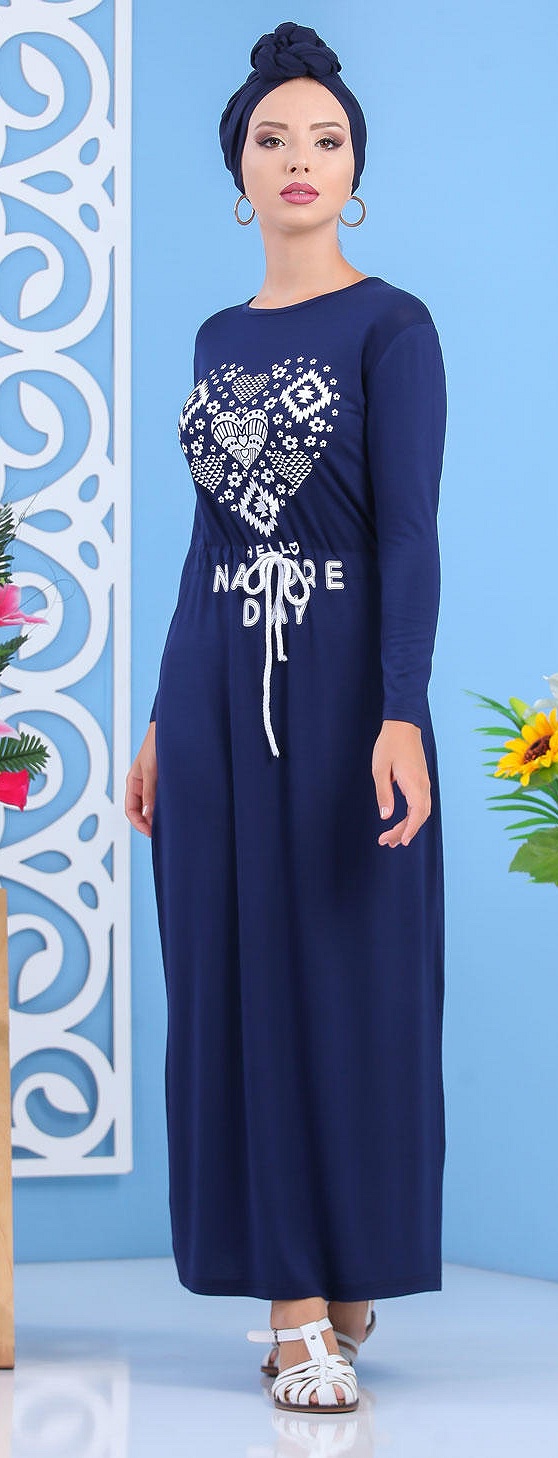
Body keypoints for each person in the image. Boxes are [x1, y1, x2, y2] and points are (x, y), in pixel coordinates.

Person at [125, 20, 447, 1415]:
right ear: (239, 168)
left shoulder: (392, 327)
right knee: (235, 981)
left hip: (340, 695)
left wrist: (400, 710)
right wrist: (159, 714)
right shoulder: (216, 336)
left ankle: (348, 1250)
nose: (299, 159)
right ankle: (292, 1301)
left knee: (351, 976)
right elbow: (207, 541)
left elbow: (410, 537)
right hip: (214, 695)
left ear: (355, 170)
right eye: (273, 138)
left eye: (325, 139)